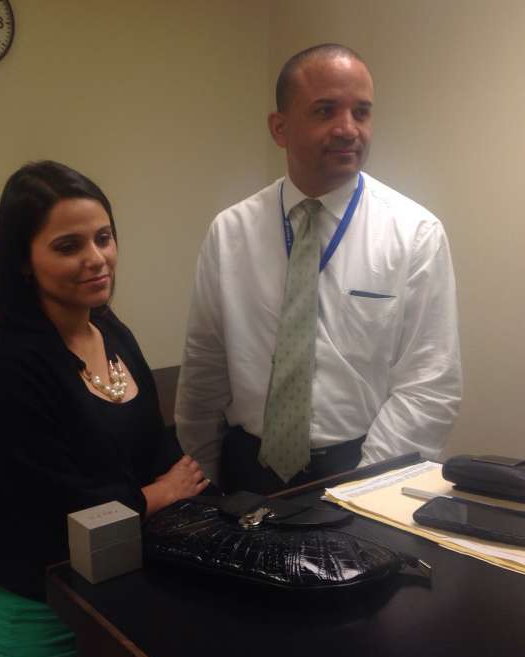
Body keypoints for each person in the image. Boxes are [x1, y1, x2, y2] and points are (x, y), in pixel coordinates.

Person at [0, 160, 208, 657]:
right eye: (68, 245)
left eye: (104, 237)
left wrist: (185, 486)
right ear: (24, 261)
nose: (96, 258)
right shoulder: (8, 363)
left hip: (125, 588)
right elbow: (52, 508)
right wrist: (159, 494)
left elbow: (153, 445)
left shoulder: (111, 331)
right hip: (43, 606)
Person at [175, 43, 462, 494]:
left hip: (363, 467)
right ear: (280, 128)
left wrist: (364, 489)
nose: (348, 129)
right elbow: (204, 369)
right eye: (325, 111)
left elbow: (430, 384)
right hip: (246, 470)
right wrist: (203, 481)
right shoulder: (230, 232)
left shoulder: (415, 234)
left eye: (361, 112)